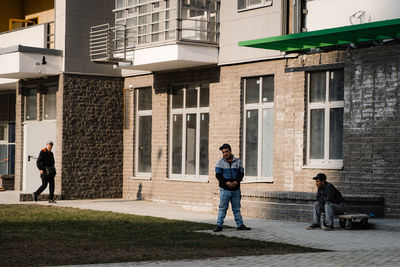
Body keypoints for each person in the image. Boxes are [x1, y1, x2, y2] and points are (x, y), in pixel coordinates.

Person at [214, 143, 251, 232]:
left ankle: (240, 225)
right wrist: (227, 183)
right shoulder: (220, 163)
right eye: (223, 152)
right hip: (225, 190)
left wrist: (236, 182)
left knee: (236, 208)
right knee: (223, 208)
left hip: (236, 190)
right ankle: (219, 225)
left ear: (230, 151)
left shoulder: (238, 161)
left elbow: (241, 174)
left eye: (226, 151)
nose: (225, 154)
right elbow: (218, 175)